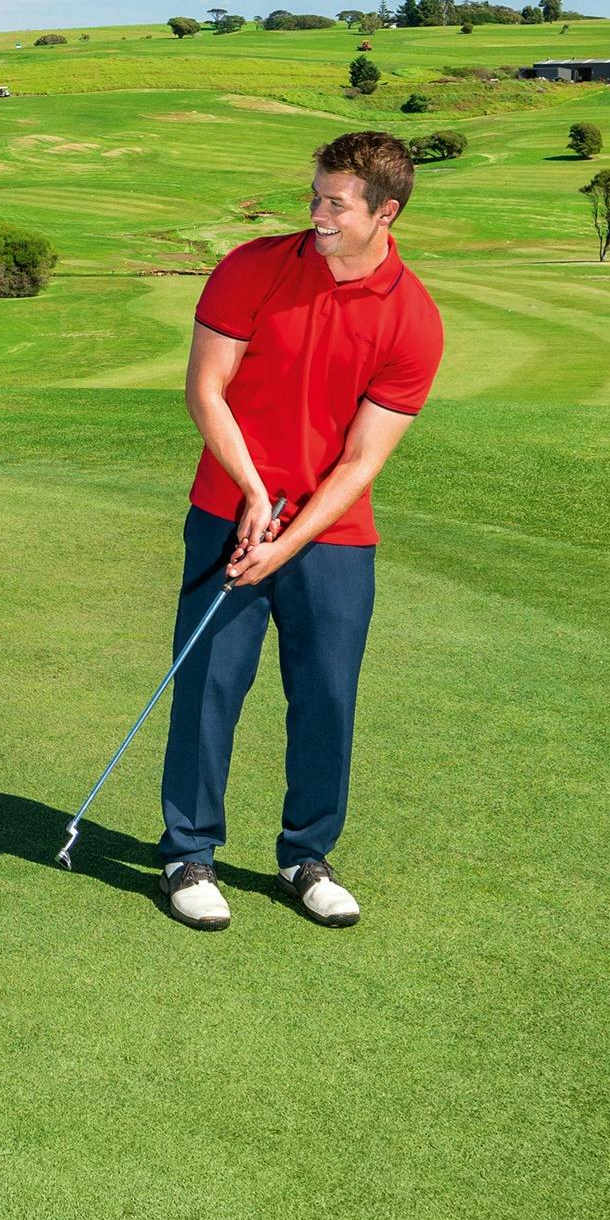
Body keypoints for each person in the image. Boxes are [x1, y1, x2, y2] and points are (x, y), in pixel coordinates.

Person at [157, 128, 445, 931]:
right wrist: (252, 494)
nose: (316, 214)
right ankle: (189, 854)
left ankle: (305, 856)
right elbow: (206, 391)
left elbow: (360, 462)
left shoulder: (414, 320)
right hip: (226, 507)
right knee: (209, 686)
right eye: (314, 195)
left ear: (385, 212)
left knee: (326, 696)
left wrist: (287, 540)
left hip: (334, 535)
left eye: (335, 203)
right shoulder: (252, 266)